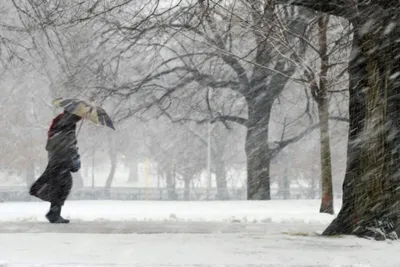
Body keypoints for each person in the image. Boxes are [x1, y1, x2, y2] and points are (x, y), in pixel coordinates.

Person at [30, 111, 82, 223]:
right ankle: (53, 213)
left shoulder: (62, 122)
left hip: (56, 159)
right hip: (61, 159)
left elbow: (56, 141)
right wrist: (73, 149)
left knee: (60, 185)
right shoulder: (68, 123)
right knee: (63, 185)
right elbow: (67, 142)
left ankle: (54, 212)